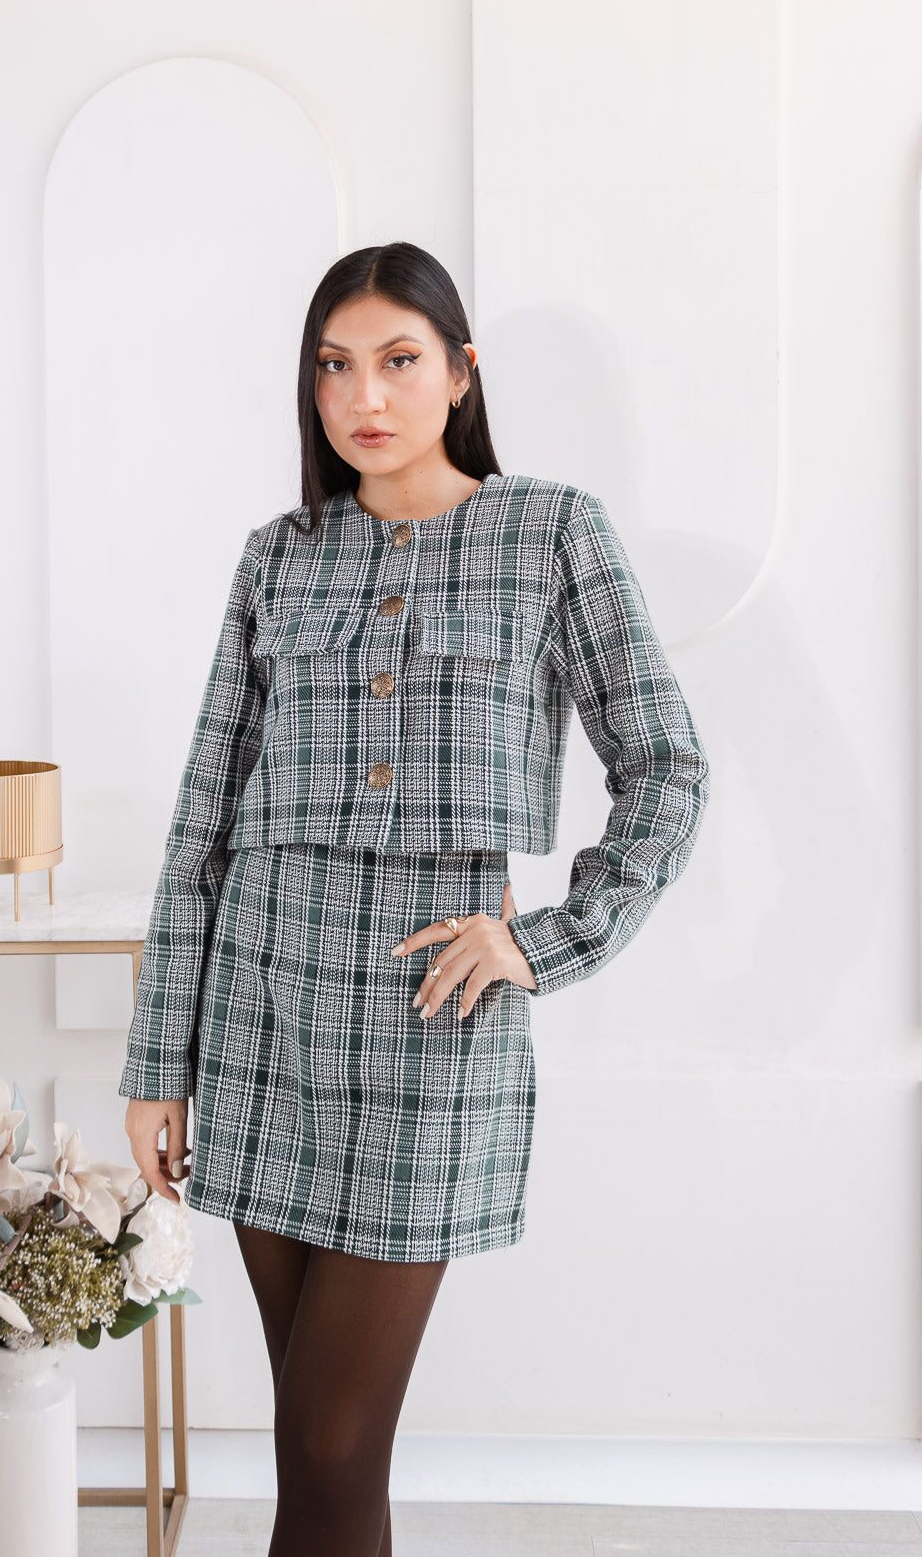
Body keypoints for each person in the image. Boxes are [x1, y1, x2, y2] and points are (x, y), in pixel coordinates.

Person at [119, 240, 711, 1556]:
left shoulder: (551, 533)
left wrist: (548, 942)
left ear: (460, 373)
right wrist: (159, 1061)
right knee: (318, 1450)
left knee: (333, 1440)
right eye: (334, 366)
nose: (364, 396)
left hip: (428, 1029)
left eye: (397, 359)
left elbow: (668, 767)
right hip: (262, 1023)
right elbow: (204, 815)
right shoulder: (279, 559)